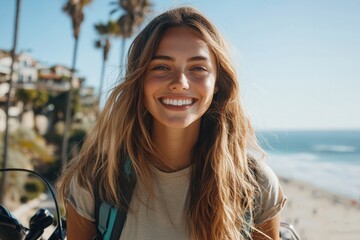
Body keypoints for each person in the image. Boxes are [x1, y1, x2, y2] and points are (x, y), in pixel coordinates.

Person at [56, 6, 286, 240]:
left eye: (198, 68)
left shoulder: (255, 184)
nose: (180, 82)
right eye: (161, 67)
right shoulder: (96, 180)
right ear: (140, 79)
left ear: (218, 82)